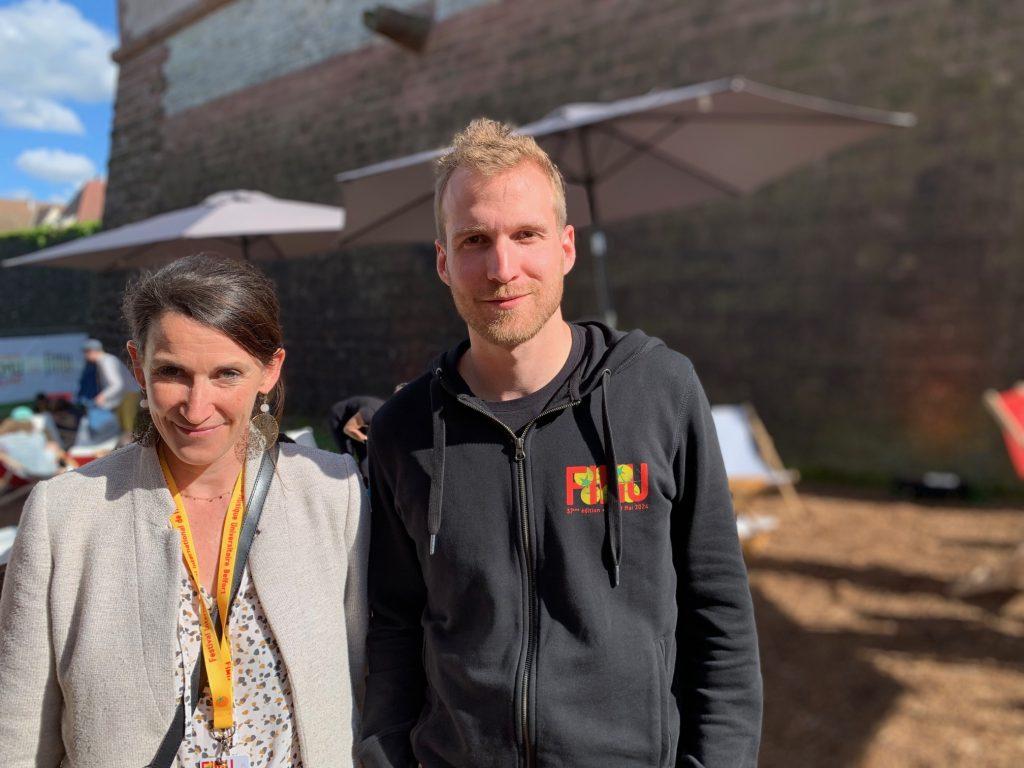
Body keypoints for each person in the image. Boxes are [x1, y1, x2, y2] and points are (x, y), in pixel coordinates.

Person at [360, 119, 762, 767]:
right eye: (474, 240)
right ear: (443, 261)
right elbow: (394, 631)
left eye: (526, 236)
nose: (502, 266)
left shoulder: (658, 390)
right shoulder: (404, 431)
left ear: (566, 247)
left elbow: (720, 619)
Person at [0, 254, 368, 767]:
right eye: (172, 372)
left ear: (270, 370)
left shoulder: (333, 494)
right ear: (136, 365)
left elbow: (362, 677)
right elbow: (18, 732)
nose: (196, 408)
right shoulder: (64, 515)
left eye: (226, 374)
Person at [82, 337, 142, 443]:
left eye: (86, 352)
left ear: (92, 351)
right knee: (125, 429)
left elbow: (117, 384)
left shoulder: (107, 361)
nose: (85, 356)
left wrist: (103, 396)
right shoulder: (104, 361)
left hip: (128, 395)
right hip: (124, 396)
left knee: (129, 430)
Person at [329, 395, 385, 483]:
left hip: (359, 421)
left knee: (364, 455)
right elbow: (348, 429)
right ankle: (343, 483)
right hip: (340, 419)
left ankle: (367, 487)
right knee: (347, 457)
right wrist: (367, 440)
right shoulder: (369, 413)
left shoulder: (385, 415)